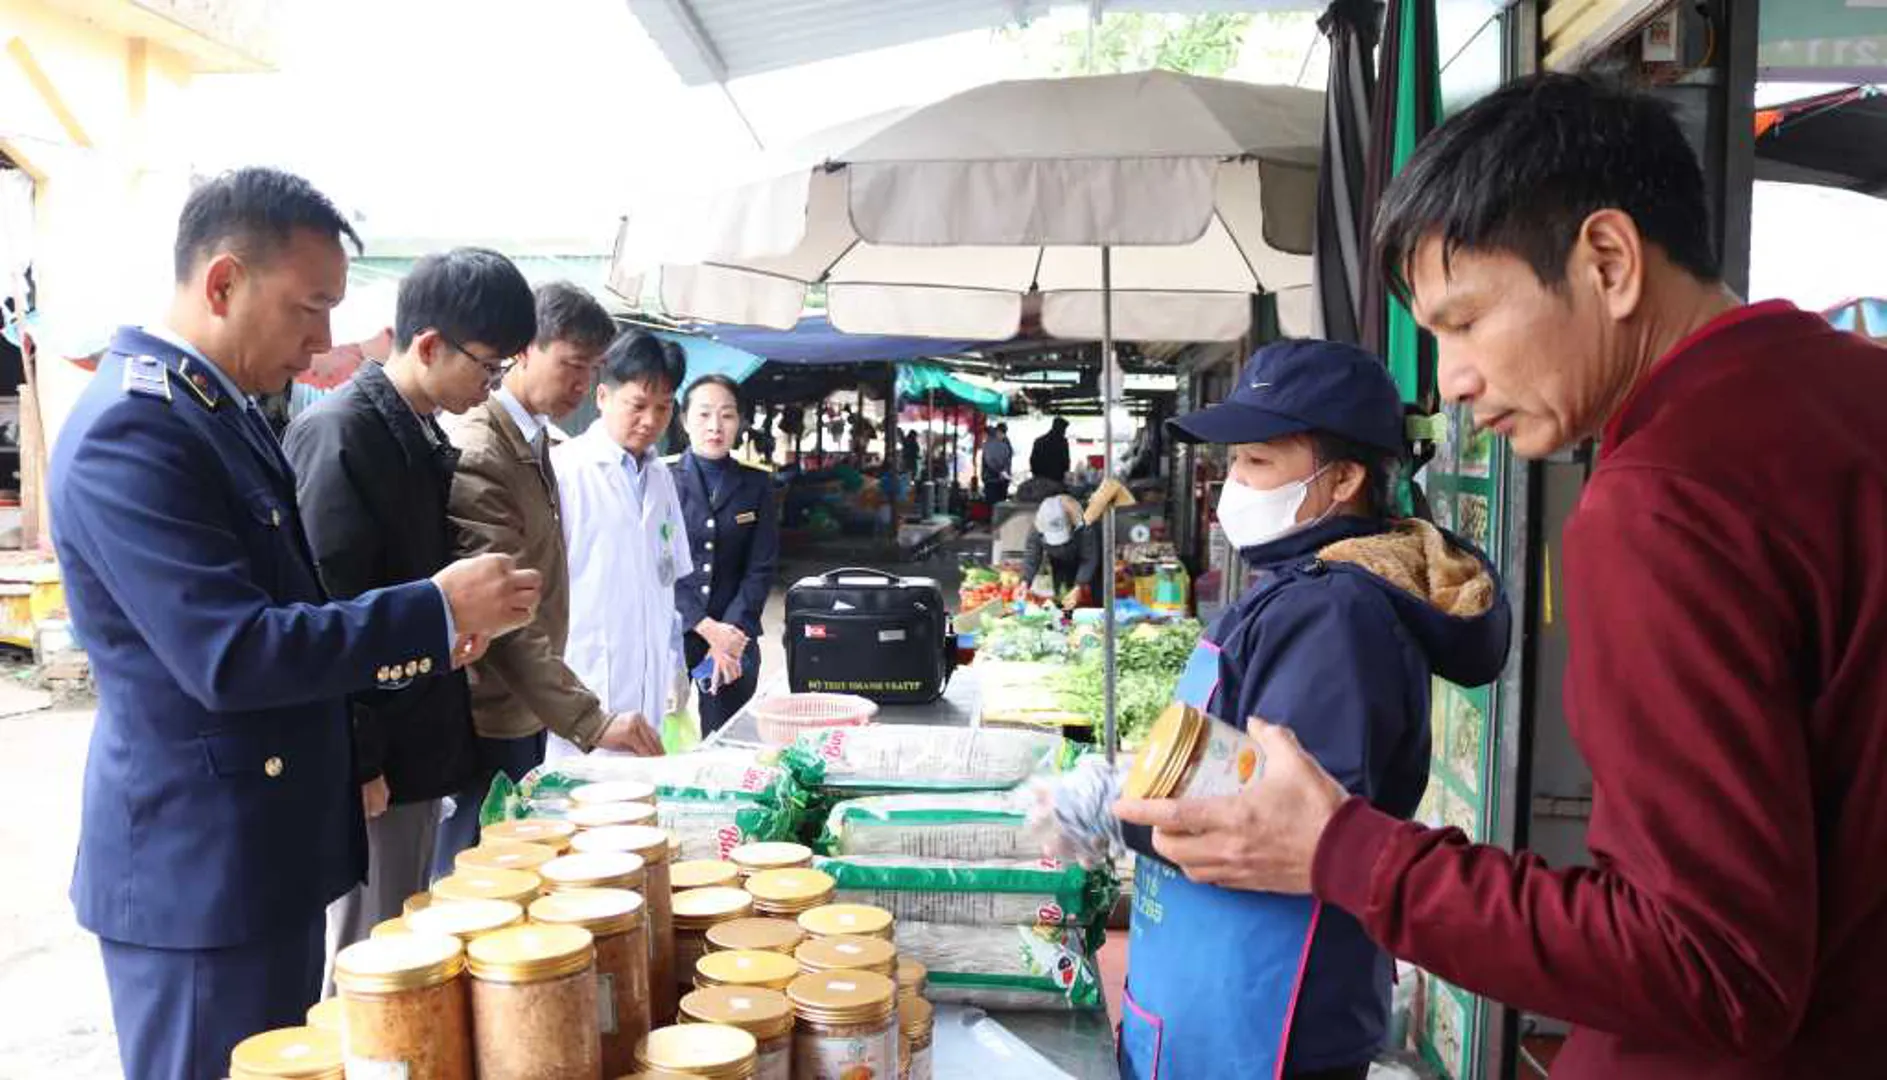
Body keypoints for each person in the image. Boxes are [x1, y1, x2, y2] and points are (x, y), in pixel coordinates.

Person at [1117, 73, 1887, 1077]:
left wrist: (1350, 853)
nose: (1450, 380)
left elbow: (1714, 966)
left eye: (1466, 320)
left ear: (1608, 260)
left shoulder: (1663, 498)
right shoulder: (1852, 395)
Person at [48, 167, 540, 1080]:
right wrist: (431, 609)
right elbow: (231, 653)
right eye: (309, 309)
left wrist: (427, 638)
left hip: (258, 851)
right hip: (199, 870)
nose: (324, 342)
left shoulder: (218, 412)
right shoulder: (137, 428)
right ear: (224, 281)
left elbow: (297, 609)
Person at [1103, 339, 1510, 1080]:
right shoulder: (1300, 586)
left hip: (1267, 1008)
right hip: (1216, 976)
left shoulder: (1334, 614)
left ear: (1345, 477)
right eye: (1232, 464)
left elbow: (1272, 827)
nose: (1234, 484)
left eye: (1257, 463)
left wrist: (1116, 807)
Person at [282, 247, 536, 988]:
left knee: (406, 935)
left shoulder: (420, 433)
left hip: (420, 731)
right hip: (377, 755)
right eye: (487, 369)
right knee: (372, 954)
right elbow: (328, 614)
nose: (490, 387)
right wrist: (360, 760)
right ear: (428, 345)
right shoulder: (340, 435)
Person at [436, 282, 660, 875]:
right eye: (571, 366)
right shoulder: (482, 447)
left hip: (524, 707)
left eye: (591, 370)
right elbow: (500, 616)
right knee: (477, 876)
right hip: (490, 708)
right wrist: (591, 720)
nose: (581, 386)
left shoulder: (532, 441)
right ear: (523, 351)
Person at [552, 330, 691, 761]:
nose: (650, 420)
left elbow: (667, 582)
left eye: (664, 407)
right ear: (602, 397)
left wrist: (676, 662)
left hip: (648, 696)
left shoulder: (662, 478)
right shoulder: (565, 472)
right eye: (638, 405)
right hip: (583, 692)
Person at [673, 374, 780, 735]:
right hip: (672, 630)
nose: (715, 426)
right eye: (703, 415)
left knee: (726, 740)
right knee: (656, 742)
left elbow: (760, 568)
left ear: (740, 422)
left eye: (727, 415)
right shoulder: (662, 479)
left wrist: (728, 636)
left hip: (737, 633)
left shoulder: (758, 485)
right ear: (685, 420)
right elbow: (655, 566)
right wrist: (706, 629)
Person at [1019, 494, 1100, 608]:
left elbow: (1089, 557)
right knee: (1062, 600)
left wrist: (1079, 585)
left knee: (1096, 596)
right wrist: (1025, 582)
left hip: (1087, 561)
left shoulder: (1084, 523)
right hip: (1059, 562)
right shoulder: (1039, 525)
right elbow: (1032, 554)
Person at [1029, 415, 1072, 483]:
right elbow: (1066, 463)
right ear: (1061, 429)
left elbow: (1032, 460)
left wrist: (1036, 475)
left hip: (1039, 479)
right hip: (1056, 480)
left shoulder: (1039, 441)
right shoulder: (1062, 443)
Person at [982, 422, 1014, 503]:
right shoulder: (992, 443)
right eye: (1001, 432)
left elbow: (1008, 458)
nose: (1002, 434)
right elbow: (990, 461)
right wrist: (1002, 472)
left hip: (997, 480)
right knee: (995, 504)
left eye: (1003, 432)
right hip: (994, 479)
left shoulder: (1004, 442)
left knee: (996, 503)